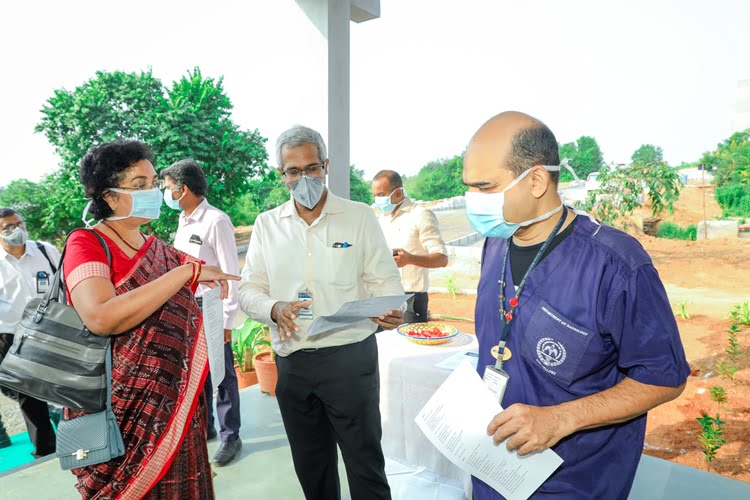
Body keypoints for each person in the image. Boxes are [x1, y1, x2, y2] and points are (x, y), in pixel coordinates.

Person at [462, 112, 690, 499]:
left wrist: (561, 418)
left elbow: (663, 376)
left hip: (573, 482)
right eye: (468, 187)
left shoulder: (615, 263)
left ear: (535, 180)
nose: (473, 201)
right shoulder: (495, 243)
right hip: (493, 469)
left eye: (485, 187)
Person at [65, 140, 239, 499]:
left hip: (176, 410)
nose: (154, 193)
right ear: (110, 197)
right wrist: (184, 273)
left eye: (153, 184)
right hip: (118, 416)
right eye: (139, 185)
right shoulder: (87, 244)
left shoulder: (158, 249)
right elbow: (101, 316)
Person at [239, 125, 404, 500]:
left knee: (365, 466)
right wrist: (274, 308)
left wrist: (390, 309)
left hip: (350, 360)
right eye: (293, 172)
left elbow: (387, 285)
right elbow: (248, 290)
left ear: (326, 166)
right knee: (312, 468)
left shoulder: (359, 217)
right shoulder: (268, 225)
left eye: (311, 168)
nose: (303, 178)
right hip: (293, 362)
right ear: (282, 176)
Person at [162, 159, 243, 467]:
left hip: (211, 307)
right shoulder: (184, 220)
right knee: (198, 375)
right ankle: (207, 427)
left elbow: (230, 273)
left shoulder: (216, 220)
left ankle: (230, 436)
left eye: (168, 188)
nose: (166, 194)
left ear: (183, 189)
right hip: (187, 308)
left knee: (222, 376)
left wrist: (227, 319)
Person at [0, 208, 58, 458]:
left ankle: (74, 436)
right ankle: (46, 451)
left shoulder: (45, 251)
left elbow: (63, 283)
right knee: (25, 394)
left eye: (19, 223)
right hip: (11, 336)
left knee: (64, 384)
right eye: (8, 227)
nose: (16, 230)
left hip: (49, 330)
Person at [371, 170, 448, 323]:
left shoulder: (420, 215)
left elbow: (441, 259)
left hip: (411, 298)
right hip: (383, 295)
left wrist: (410, 259)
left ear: (398, 193)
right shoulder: (382, 220)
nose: (378, 200)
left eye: (381, 195)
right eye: (375, 195)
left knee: (409, 345)